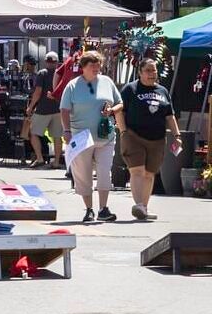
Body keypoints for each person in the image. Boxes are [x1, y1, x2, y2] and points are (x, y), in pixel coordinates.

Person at [114, 59, 181, 222]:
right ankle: (139, 205)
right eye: (148, 71)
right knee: (137, 170)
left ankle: (143, 206)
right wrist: (123, 132)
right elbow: (120, 111)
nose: (152, 74)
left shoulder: (163, 91)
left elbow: (169, 115)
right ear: (140, 72)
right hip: (134, 136)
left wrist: (177, 136)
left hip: (157, 138)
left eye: (154, 71)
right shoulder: (131, 89)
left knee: (150, 174)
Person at [59, 50, 122, 223]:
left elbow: (119, 103)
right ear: (83, 67)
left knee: (104, 172)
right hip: (81, 137)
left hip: (105, 135)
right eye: (92, 65)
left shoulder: (107, 82)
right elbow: (64, 110)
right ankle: (88, 209)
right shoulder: (72, 85)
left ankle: (103, 208)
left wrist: (111, 111)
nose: (96, 68)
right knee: (83, 174)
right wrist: (66, 131)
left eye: (98, 65)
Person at [25, 52, 65, 167]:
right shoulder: (61, 74)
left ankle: (40, 158)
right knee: (57, 136)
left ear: (46, 61)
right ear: (57, 62)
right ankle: (56, 162)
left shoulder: (42, 73)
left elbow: (37, 92)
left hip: (43, 109)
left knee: (33, 133)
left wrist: (31, 106)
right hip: (58, 109)